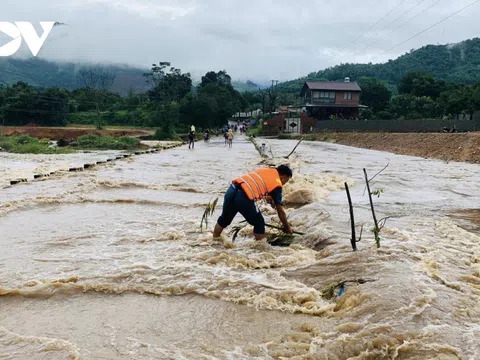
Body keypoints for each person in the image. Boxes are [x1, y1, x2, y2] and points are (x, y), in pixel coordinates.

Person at [213, 165, 293, 241]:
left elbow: (258, 185)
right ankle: (259, 249)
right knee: (259, 222)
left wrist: (271, 200)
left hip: (231, 190)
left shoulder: (266, 170)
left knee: (223, 220)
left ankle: (214, 240)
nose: (283, 184)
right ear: (283, 177)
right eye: (285, 182)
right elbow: (281, 212)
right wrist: (287, 227)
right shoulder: (277, 184)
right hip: (243, 198)